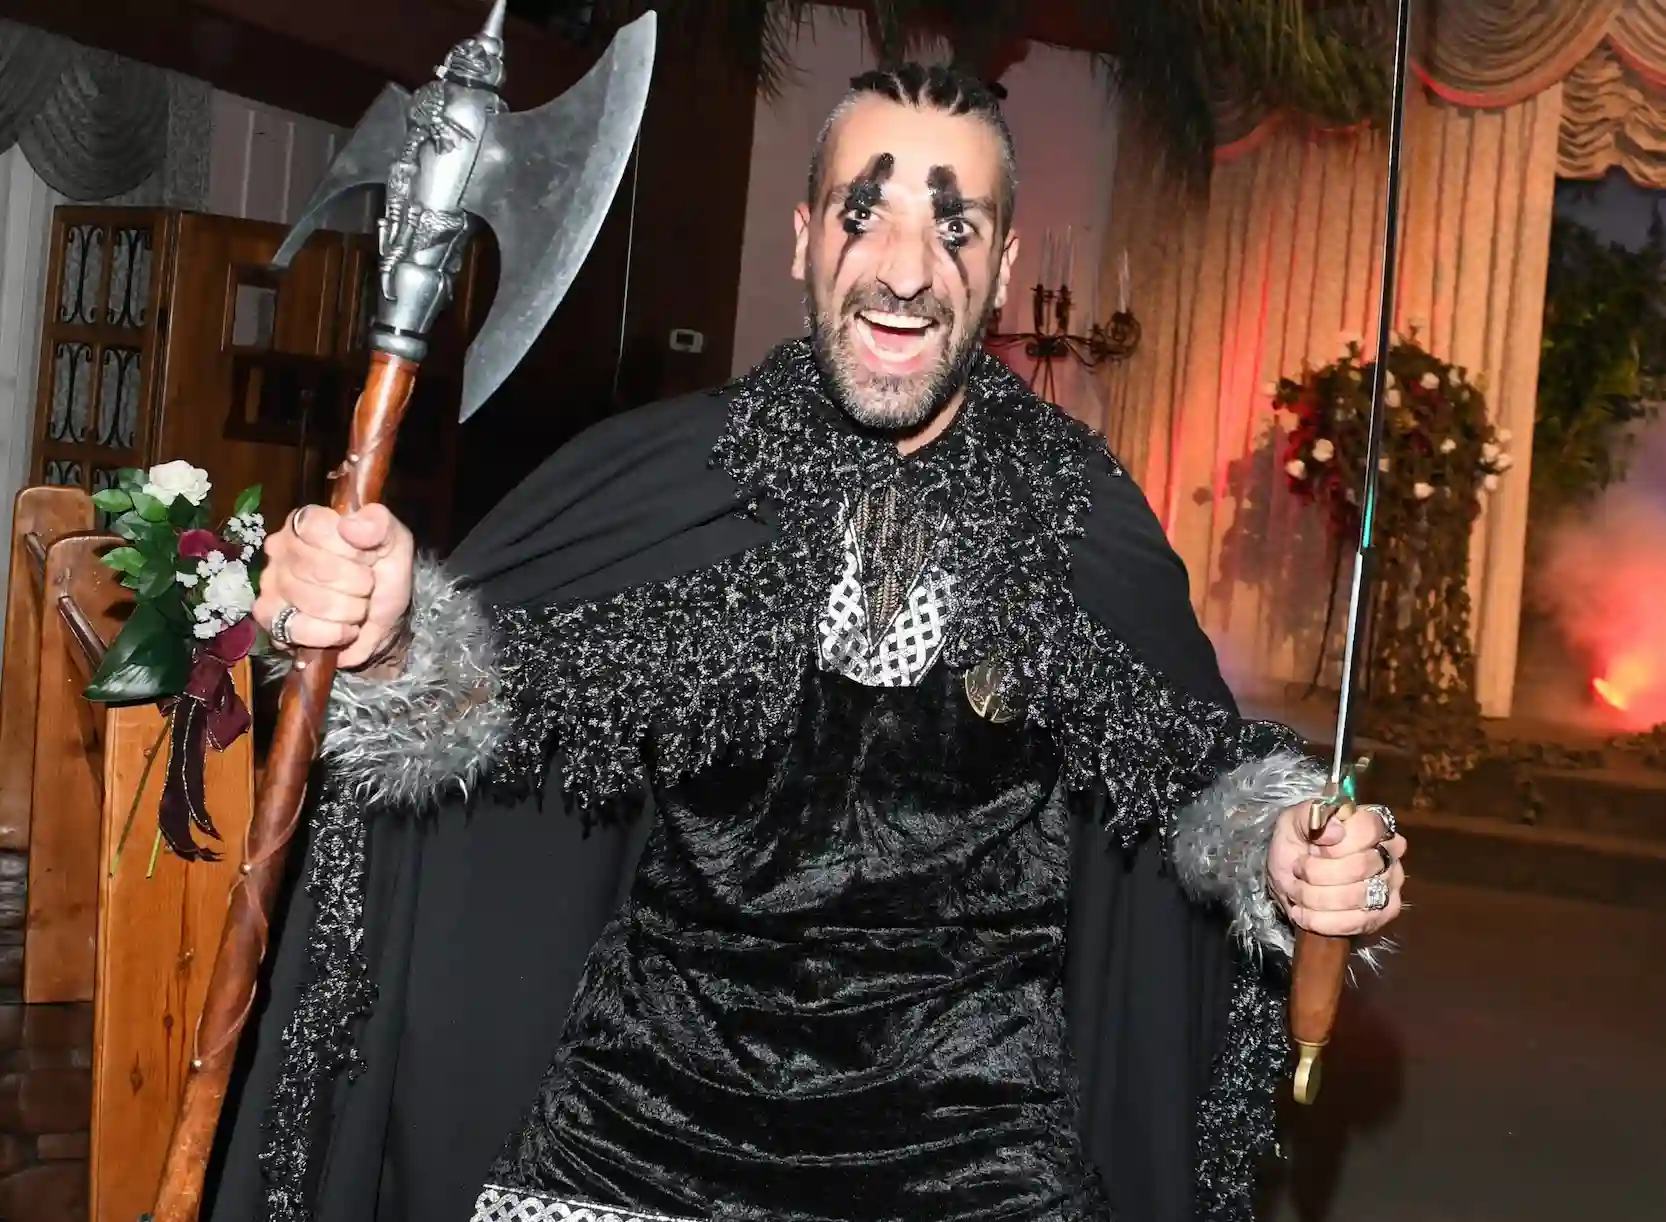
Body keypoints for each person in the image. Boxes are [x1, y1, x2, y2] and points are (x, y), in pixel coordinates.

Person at [207, 63, 1406, 1222]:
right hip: (637, 1133)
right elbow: (495, 699)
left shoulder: (1074, 509)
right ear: (801, 237)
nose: (902, 270)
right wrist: (386, 636)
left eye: (955, 228)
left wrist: (1285, 853)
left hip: (973, 1156)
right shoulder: (672, 476)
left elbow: (1194, 774)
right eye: (863, 212)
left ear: (1002, 269)